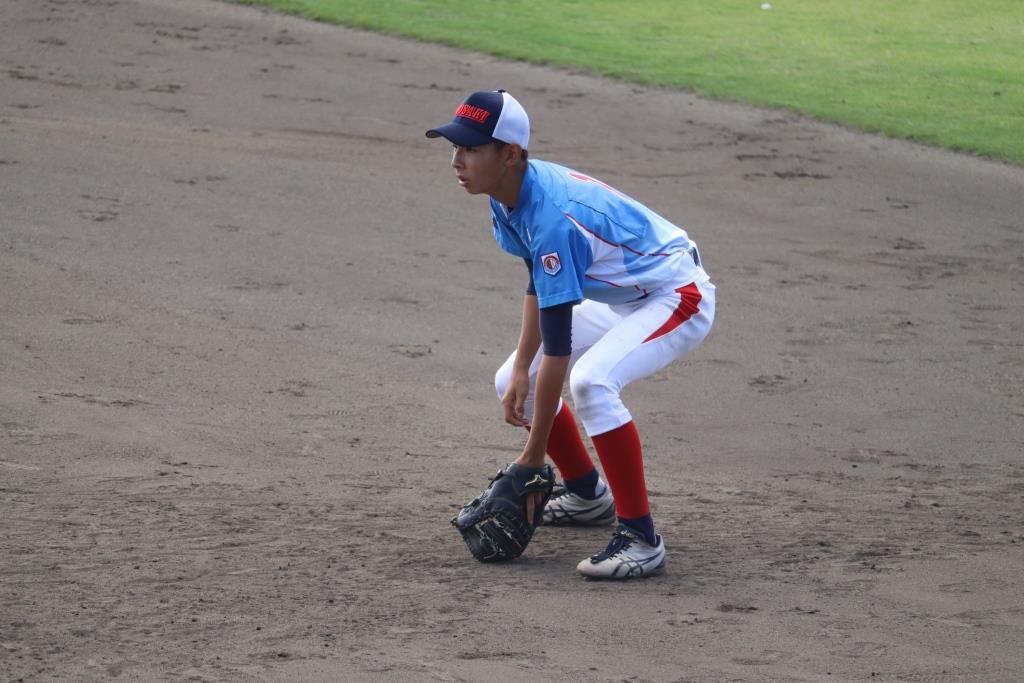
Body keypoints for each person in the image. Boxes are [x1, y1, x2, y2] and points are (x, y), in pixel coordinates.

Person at [426, 90, 715, 579]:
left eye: (471, 149)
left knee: (591, 382)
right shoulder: (507, 195)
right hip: (624, 297)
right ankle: (586, 495)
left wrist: (531, 457)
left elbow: (559, 347)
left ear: (510, 154)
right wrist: (522, 366)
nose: (457, 159)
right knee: (510, 379)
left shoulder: (553, 218)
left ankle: (641, 539)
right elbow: (539, 284)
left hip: (676, 294)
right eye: (455, 146)